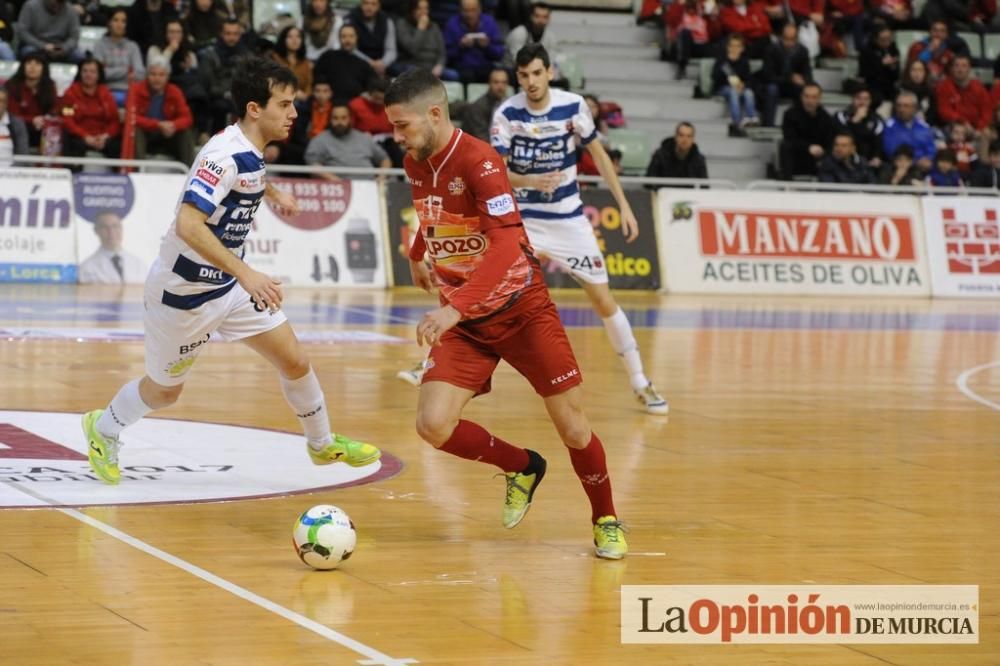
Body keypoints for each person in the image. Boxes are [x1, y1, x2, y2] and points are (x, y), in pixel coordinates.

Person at [82, 56, 380, 486]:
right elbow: (188, 224)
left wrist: (271, 191)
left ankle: (321, 443)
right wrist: (247, 273)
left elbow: (249, 175)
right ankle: (103, 428)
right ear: (255, 109)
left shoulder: (250, 150)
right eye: (284, 104)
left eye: (293, 103)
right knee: (165, 392)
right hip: (183, 295)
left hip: (229, 287)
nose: (294, 113)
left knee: (295, 360)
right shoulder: (223, 155)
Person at [384, 67, 628, 559]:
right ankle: (523, 466)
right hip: (467, 322)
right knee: (432, 425)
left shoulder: (481, 161)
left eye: (402, 125)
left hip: (521, 311)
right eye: (393, 126)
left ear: (435, 114)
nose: (397, 136)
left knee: (574, 427)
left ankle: (605, 518)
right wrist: (416, 254)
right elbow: (430, 213)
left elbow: (503, 247)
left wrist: (453, 309)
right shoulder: (416, 161)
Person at [495, 44, 669, 415]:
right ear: (518, 77)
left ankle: (640, 381)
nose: (531, 82)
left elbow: (600, 157)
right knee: (486, 287)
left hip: (569, 222)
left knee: (603, 300)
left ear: (550, 72)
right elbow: (497, 173)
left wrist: (624, 205)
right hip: (523, 221)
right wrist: (529, 178)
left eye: (537, 73)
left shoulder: (573, 107)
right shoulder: (507, 114)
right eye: (523, 75)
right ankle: (431, 360)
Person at [304, 103, 392, 178]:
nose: (340, 122)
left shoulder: (364, 138)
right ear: (330, 120)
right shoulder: (320, 140)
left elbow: (384, 159)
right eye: (335, 118)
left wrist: (381, 178)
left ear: (350, 119)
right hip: (338, 191)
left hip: (369, 187)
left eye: (343, 118)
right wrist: (334, 180)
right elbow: (312, 162)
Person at [78, 211, 148, 284]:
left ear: (121, 228)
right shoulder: (86, 269)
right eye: (105, 227)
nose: (111, 232)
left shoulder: (139, 265)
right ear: (96, 231)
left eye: (115, 226)